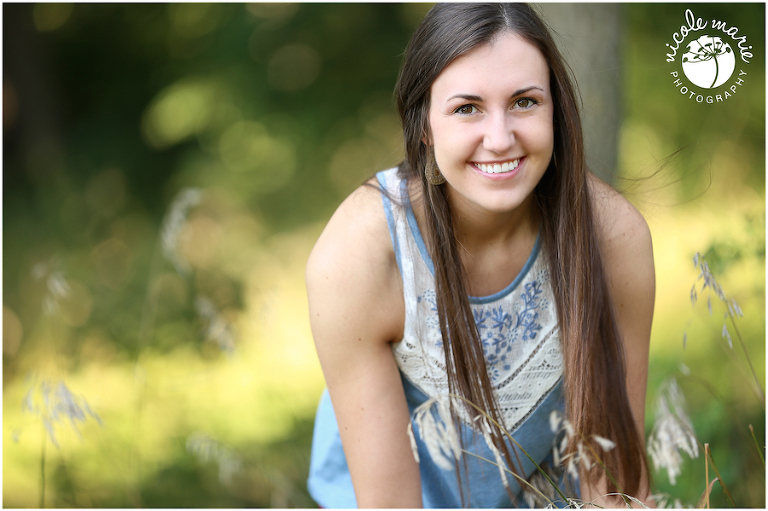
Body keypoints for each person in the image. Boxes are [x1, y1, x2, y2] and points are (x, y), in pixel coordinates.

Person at [305, 3, 654, 508]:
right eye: (467, 108)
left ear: (555, 108)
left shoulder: (610, 238)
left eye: (525, 102)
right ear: (424, 124)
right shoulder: (362, 257)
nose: (500, 138)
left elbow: (615, 490)